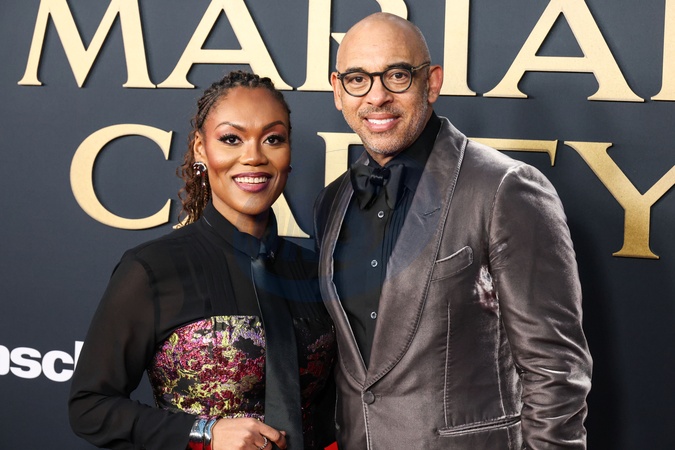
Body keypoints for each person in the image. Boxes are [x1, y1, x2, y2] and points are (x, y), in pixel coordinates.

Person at [314, 13, 592, 449]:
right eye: (357, 80)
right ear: (338, 90)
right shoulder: (333, 201)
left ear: (432, 82)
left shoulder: (504, 188)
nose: (377, 96)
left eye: (397, 76)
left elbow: (555, 369)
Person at [69, 71, 336, 450]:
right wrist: (204, 432)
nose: (254, 156)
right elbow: (89, 407)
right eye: (231, 139)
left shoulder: (315, 272)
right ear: (200, 148)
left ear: (288, 154)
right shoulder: (152, 269)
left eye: (273, 139)